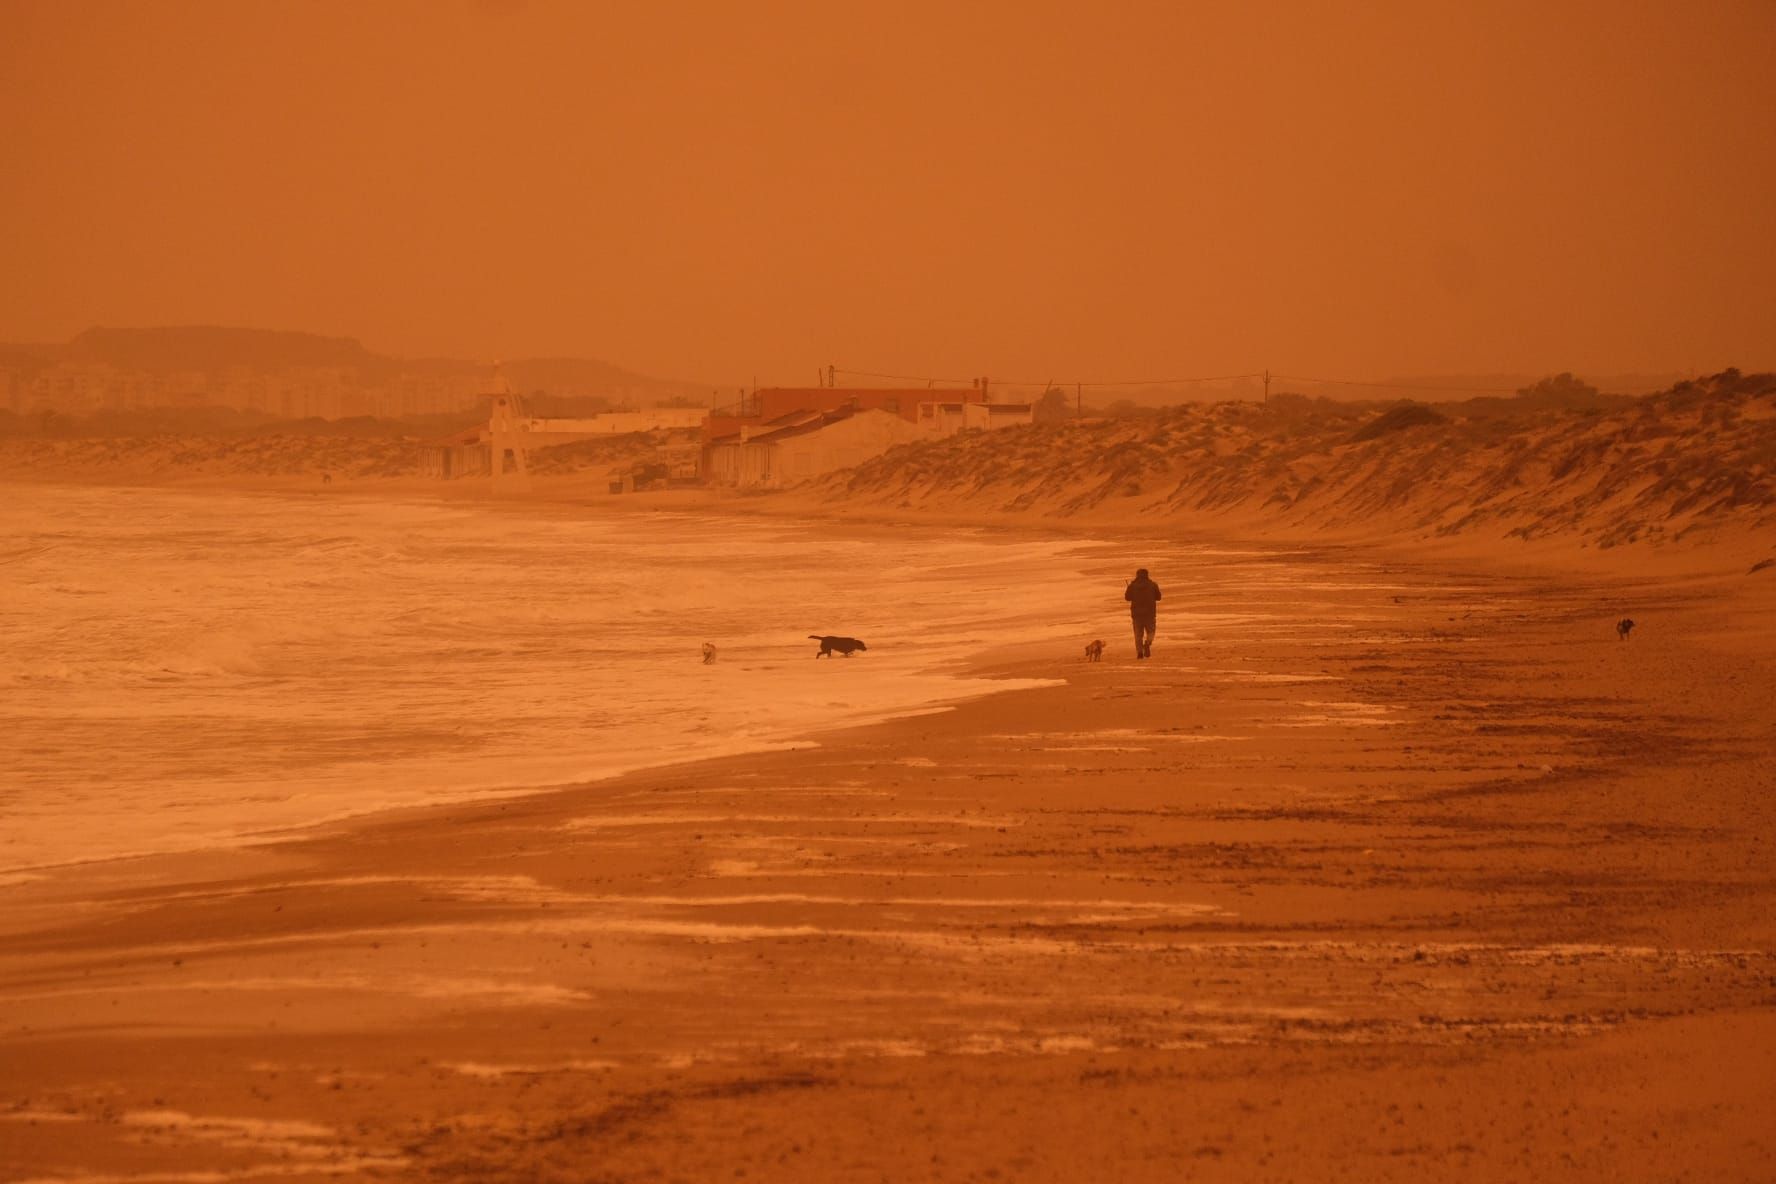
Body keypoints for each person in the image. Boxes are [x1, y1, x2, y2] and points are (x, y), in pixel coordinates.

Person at [1124, 567, 1161, 659]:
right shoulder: (1153, 585)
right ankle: (1148, 643)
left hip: (1136, 614)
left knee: (1138, 635)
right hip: (1150, 613)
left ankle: (1140, 653)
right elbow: (1159, 597)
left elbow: (1127, 598)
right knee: (1151, 631)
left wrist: (1129, 588)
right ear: (1147, 575)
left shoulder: (1133, 586)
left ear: (1137, 575)